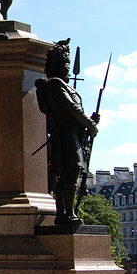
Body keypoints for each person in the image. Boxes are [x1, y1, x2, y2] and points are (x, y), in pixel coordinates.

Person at [35, 39, 99, 226]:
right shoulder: (55, 85)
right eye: (65, 65)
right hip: (65, 136)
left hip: (73, 134)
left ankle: (66, 213)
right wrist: (89, 123)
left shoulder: (63, 85)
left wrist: (90, 121)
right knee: (69, 172)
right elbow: (72, 109)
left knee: (72, 173)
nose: (68, 70)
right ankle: (65, 213)